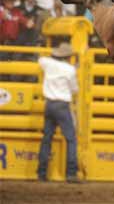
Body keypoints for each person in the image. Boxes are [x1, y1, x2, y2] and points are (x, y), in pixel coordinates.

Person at [37, 42, 79, 183]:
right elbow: (74, 90)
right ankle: (71, 174)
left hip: (49, 104)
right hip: (62, 105)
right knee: (71, 139)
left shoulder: (48, 63)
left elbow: (40, 59)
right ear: (68, 57)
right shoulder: (70, 70)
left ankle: (41, 173)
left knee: (47, 138)